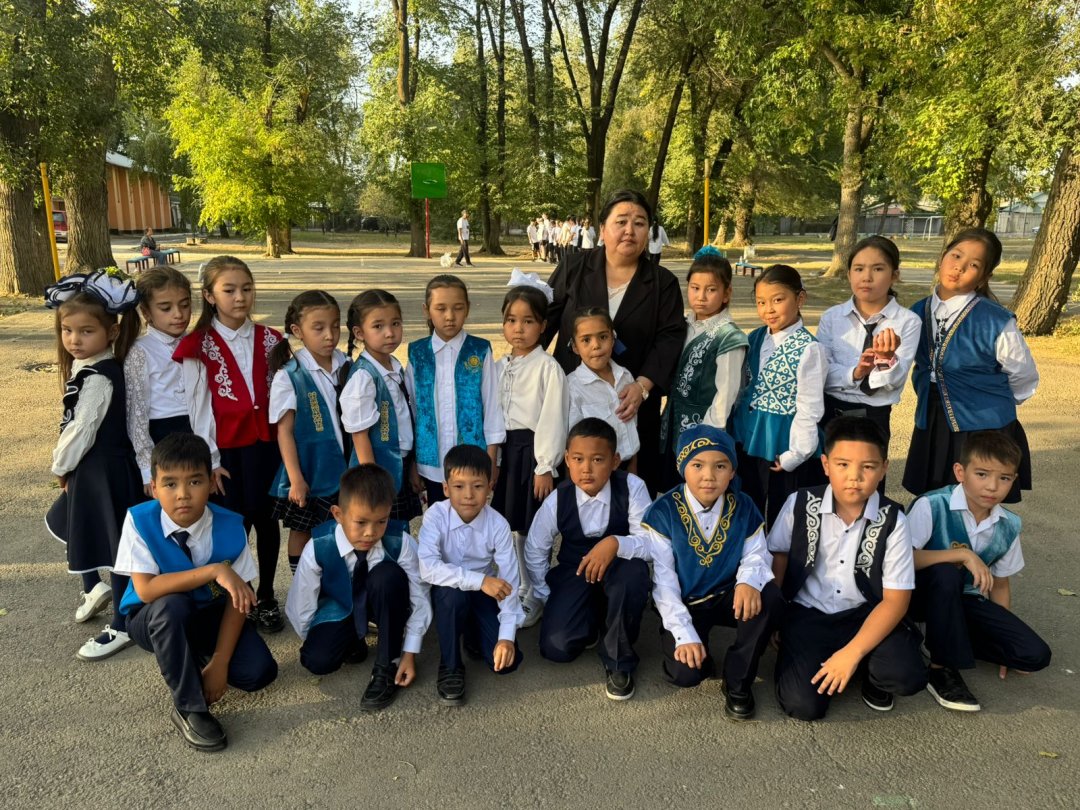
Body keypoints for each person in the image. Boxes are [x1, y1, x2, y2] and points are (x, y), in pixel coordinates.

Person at [115, 433, 277, 751]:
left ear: (212, 482)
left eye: (195, 481)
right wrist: (214, 570)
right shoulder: (139, 520)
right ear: (154, 487)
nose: (183, 495)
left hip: (208, 613)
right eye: (170, 484)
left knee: (259, 673)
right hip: (152, 617)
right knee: (172, 607)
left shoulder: (231, 525)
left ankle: (194, 655)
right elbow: (146, 590)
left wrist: (220, 661)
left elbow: (239, 599)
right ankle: (189, 708)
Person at [768, 416, 927, 721]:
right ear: (825, 464)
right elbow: (779, 557)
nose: (854, 477)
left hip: (866, 613)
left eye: (868, 467)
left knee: (906, 675)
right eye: (842, 465)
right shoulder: (799, 503)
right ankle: (836, 660)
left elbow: (896, 601)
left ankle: (865, 668)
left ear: (883, 469)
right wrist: (775, 617)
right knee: (802, 705)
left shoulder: (893, 520)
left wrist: (852, 653)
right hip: (808, 614)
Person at [543, 189, 686, 494]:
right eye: (621, 221)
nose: (629, 230)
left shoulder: (663, 283)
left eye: (639, 223)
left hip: (631, 404)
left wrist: (642, 386)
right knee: (574, 491)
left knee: (630, 495)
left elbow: (670, 339)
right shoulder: (574, 267)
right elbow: (544, 320)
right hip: (574, 398)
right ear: (603, 228)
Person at [173, 256, 286, 633]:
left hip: (267, 448)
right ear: (209, 296)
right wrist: (210, 460)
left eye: (247, 289)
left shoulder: (271, 339)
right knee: (235, 526)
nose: (240, 297)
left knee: (268, 522)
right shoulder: (198, 345)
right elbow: (198, 407)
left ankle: (267, 595)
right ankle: (243, 596)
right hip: (227, 454)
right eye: (229, 290)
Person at [907, 431, 1051, 712]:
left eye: (1004, 478)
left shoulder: (1008, 524)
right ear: (960, 472)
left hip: (964, 601)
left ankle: (939, 636)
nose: (992, 486)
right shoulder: (932, 505)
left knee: (1034, 655)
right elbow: (903, 559)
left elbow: (1000, 584)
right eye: (982, 474)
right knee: (946, 573)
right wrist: (962, 554)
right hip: (921, 596)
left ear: (1014, 481)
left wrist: (1001, 638)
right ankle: (940, 668)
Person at [645, 424, 782, 720]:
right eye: (697, 465)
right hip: (686, 602)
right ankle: (696, 647)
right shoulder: (664, 511)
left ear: (732, 472)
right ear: (682, 467)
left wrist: (747, 582)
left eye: (720, 466)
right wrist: (684, 634)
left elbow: (756, 552)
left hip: (727, 595)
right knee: (686, 673)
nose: (709, 475)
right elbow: (664, 581)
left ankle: (738, 680)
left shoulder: (743, 505)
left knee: (768, 594)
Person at [44, 270, 144, 660]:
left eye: (86, 331)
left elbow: (82, 428)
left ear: (112, 332)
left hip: (104, 471)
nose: (74, 340)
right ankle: (92, 586)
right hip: (92, 469)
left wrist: (61, 466)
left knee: (114, 548)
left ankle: (122, 623)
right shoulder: (87, 366)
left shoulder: (102, 376)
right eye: (67, 330)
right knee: (68, 522)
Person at [903, 228, 1038, 503]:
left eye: (973, 265)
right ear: (943, 257)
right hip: (932, 418)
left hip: (984, 425)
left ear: (984, 277)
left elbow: (1023, 376)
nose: (959, 267)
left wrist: (991, 404)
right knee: (933, 497)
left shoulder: (995, 320)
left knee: (977, 499)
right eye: (956, 256)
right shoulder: (916, 312)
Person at [524, 418, 653, 700]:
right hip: (575, 569)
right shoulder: (558, 499)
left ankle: (619, 660)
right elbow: (535, 549)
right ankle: (594, 617)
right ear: (567, 460)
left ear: (615, 461)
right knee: (556, 648)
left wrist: (615, 543)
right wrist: (547, 596)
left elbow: (652, 542)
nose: (586, 469)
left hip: (619, 567)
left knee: (633, 574)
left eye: (597, 459)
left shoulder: (632, 487)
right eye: (578, 459)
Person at [286, 464, 432, 712]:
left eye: (381, 521)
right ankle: (353, 640)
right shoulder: (319, 546)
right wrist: (322, 638)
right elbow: (302, 602)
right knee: (317, 659)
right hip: (341, 606)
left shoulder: (401, 542)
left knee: (386, 576)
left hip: (387, 602)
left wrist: (409, 652)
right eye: (361, 522)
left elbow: (420, 596)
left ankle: (387, 664)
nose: (370, 533)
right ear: (338, 514)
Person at [418, 444, 524, 705]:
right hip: (448, 590)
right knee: (452, 597)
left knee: (506, 664)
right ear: (445, 488)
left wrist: (506, 638)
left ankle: (472, 633)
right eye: (459, 486)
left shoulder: (498, 524)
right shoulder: (435, 516)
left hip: (482, 593)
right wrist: (481, 580)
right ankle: (450, 665)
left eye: (477, 486)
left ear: (490, 487)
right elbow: (428, 567)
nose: (468, 495)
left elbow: (510, 581)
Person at [816, 236, 920, 493]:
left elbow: (893, 382)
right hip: (830, 412)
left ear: (894, 275)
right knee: (825, 485)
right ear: (849, 273)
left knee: (866, 487)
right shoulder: (832, 317)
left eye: (878, 269)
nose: (867, 277)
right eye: (859, 268)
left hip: (874, 416)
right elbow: (821, 373)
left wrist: (885, 360)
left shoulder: (907, 322)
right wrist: (856, 372)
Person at [732, 264, 826, 528]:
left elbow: (810, 407)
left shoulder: (809, 349)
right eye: (761, 302)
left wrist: (796, 454)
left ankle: (778, 555)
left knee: (782, 513)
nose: (768, 309)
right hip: (748, 437)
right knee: (747, 505)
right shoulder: (755, 337)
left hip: (783, 444)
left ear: (800, 299)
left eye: (777, 300)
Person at [493, 279, 568, 600]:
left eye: (528, 321)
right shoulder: (499, 366)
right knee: (510, 523)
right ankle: (520, 583)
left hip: (533, 455)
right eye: (511, 320)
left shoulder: (548, 368)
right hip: (507, 453)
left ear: (543, 326)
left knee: (532, 526)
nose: (518, 329)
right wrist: (494, 459)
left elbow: (554, 418)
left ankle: (535, 589)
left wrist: (545, 466)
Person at [406, 274, 505, 507]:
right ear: (426, 310)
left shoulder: (479, 351)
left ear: (467, 308)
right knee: (439, 517)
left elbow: (492, 406)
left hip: (474, 461)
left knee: (473, 517)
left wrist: (492, 458)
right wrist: (413, 462)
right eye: (440, 308)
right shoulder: (418, 354)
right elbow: (413, 412)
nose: (450, 316)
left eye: (458, 308)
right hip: (432, 464)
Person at [267, 291, 348, 573]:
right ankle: (302, 585)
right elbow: (284, 432)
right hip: (309, 469)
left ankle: (336, 582)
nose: (330, 335)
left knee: (341, 526)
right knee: (303, 529)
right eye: (319, 328)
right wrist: (296, 479)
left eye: (335, 326)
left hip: (344, 466)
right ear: (298, 331)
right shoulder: (289, 375)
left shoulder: (347, 364)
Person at [659, 247, 748, 491]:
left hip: (703, 428)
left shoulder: (728, 337)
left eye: (711, 290)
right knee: (673, 491)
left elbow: (726, 394)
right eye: (695, 288)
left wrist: (708, 437)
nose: (701, 297)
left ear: (727, 293)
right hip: (673, 423)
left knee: (699, 489)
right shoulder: (683, 325)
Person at [339, 289, 422, 535]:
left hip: (399, 464)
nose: (389, 332)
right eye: (378, 326)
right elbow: (359, 434)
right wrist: (372, 481)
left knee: (398, 530)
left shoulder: (395, 366)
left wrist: (412, 464)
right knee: (378, 531)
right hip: (375, 471)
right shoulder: (364, 376)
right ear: (359, 333)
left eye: (395, 323)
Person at [126, 267, 194, 496]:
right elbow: (136, 414)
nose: (178, 314)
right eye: (166, 308)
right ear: (146, 311)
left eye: (185, 305)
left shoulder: (197, 342)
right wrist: (148, 468)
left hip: (198, 432)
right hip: (162, 435)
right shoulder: (140, 351)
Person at [566, 307, 640, 469]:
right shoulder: (573, 387)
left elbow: (632, 428)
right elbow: (573, 443)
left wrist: (633, 471)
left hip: (627, 467)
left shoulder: (625, 377)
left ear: (613, 339)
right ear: (575, 347)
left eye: (603, 337)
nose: (596, 345)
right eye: (586, 340)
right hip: (595, 471)